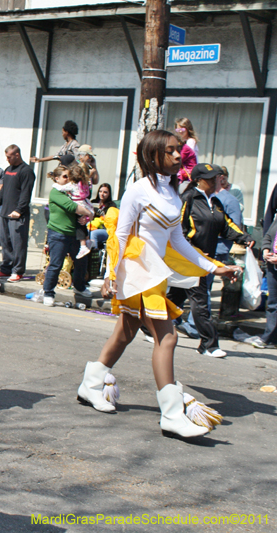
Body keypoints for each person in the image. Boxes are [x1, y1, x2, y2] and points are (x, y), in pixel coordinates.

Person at [77, 130, 241, 439]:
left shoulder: (172, 191)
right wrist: (110, 276)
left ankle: (91, 384)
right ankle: (171, 414)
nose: (179, 156)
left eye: (178, 150)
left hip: (155, 274)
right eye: (171, 151)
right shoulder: (138, 190)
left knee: (125, 333)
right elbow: (121, 235)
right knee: (168, 337)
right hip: (137, 274)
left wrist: (213, 268)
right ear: (153, 156)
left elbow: (178, 240)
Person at [167, 163, 254, 358]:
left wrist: (245, 238)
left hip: (207, 259)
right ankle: (209, 344)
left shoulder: (215, 202)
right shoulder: (188, 199)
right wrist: (191, 253)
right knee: (201, 302)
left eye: (217, 177)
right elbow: (178, 231)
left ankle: (146, 325)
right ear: (199, 180)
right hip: (190, 260)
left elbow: (227, 226)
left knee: (175, 299)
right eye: (212, 178)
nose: (216, 180)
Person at [40, 165, 94, 306]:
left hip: (74, 234)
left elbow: (82, 202)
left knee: (81, 262)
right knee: (56, 264)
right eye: (65, 176)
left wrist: (86, 217)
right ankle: (48, 292)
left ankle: (79, 287)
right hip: (58, 233)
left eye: (69, 176)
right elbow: (72, 207)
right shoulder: (55, 193)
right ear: (57, 178)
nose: (68, 179)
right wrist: (88, 212)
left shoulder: (71, 191)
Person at [0, 145, 35, 281]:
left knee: (18, 243)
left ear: (17, 155)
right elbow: (4, 190)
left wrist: (19, 210)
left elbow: (25, 193)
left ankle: (18, 270)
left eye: (9, 157)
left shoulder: (26, 171)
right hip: (4, 212)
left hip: (17, 215)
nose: (7, 159)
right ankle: (6, 268)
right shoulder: (8, 170)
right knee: (5, 242)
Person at [58, 162, 95, 260]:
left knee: (79, 225)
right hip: (85, 204)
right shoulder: (84, 184)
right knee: (82, 224)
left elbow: (61, 188)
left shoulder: (72, 185)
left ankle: (83, 245)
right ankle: (87, 240)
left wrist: (55, 185)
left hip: (79, 206)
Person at [255, 217, 277, 349]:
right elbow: (268, 236)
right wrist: (265, 251)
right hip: (272, 268)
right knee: (273, 304)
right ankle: (269, 338)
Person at [89, 183, 117, 251]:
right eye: (100, 191)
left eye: (105, 192)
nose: (102, 194)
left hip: (105, 229)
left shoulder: (111, 205)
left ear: (109, 194)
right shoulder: (93, 202)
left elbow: (111, 220)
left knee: (94, 233)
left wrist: (102, 213)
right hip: (92, 225)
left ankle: (94, 251)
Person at [175, 117, 198, 184]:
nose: (180, 131)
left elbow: (183, 157)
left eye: (182, 128)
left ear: (188, 128)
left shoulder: (190, 141)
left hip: (189, 173)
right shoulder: (182, 142)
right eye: (178, 129)